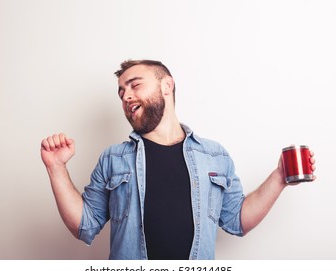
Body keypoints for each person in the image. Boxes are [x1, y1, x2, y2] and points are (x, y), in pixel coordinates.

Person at [40, 59, 316, 260]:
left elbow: (237, 220)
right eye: (121, 92)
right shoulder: (113, 159)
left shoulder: (214, 155)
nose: (126, 96)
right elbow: (84, 225)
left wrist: (279, 177)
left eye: (134, 85)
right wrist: (56, 168)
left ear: (166, 85)